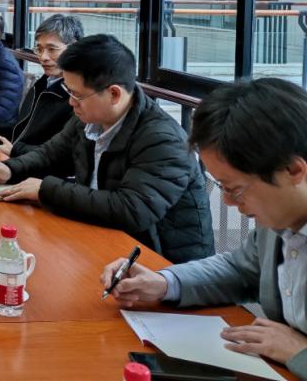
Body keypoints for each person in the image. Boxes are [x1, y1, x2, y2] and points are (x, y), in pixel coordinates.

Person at [101, 78, 307, 379]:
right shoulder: (280, 219)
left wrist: (300, 353)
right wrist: (164, 283)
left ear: (293, 171)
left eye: (234, 189)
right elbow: (240, 270)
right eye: (221, 187)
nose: (228, 202)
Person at [0, 34, 213, 264]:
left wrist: (46, 190)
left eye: (77, 94)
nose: (71, 102)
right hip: (101, 237)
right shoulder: (89, 118)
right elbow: (52, 154)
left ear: (114, 94)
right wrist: (10, 169)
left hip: (160, 264)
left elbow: (131, 210)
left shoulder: (163, 139)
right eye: (69, 91)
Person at [0, 13, 82, 157]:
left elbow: (63, 155)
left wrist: (15, 151)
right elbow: (23, 129)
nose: (43, 57)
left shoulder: (77, 96)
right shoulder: (43, 83)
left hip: (33, 166)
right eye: (39, 49)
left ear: (74, 48)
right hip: (19, 159)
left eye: (52, 49)